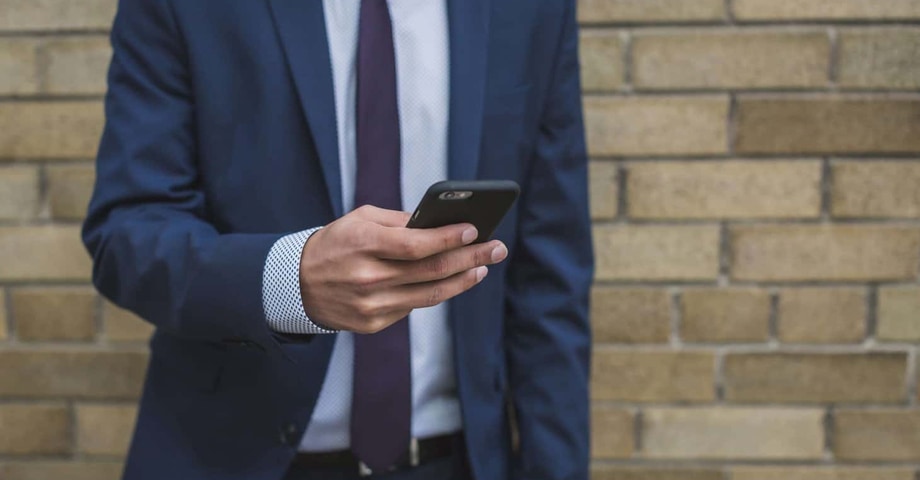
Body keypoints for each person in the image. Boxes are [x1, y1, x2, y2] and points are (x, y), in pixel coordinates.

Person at [82, 0, 593, 478]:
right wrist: (287, 282)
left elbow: (551, 274)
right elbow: (129, 229)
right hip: (236, 457)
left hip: (456, 459)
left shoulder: (532, 9)